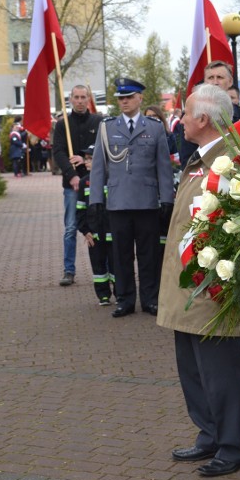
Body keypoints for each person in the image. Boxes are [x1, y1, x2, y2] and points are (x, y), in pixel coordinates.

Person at [157, 83, 240, 478]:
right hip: (187, 284)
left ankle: (233, 444)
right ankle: (209, 431)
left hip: (212, 286)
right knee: (192, 366)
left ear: (202, 119)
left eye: (185, 112)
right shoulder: (200, 158)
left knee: (219, 369)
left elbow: (238, 223)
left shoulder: (230, 160)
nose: (179, 120)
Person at [89, 77, 174, 318]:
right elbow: (98, 167)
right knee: (121, 255)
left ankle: (149, 299)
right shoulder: (107, 128)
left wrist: (166, 199)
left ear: (139, 98)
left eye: (128, 97)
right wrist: (96, 200)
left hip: (146, 201)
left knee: (148, 255)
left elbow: (163, 168)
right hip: (118, 202)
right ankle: (124, 300)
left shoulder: (154, 128)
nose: (124, 102)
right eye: (120, 98)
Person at [52, 85, 105, 287]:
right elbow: (58, 152)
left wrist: (85, 159)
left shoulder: (98, 122)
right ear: (71, 100)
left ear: (88, 99)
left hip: (95, 182)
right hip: (72, 184)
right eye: (77, 97)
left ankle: (105, 267)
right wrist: (72, 175)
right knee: (71, 227)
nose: (80, 100)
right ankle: (69, 270)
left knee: (100, 225)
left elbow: (101, 149)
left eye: (84, 97)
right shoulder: (62, 124)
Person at [175, 61, 240, 170]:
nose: (215, 82)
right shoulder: (191, 116)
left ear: (230, 81)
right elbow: (187, 160)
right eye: (210, 78)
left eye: (220, 77)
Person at [75, 145, 115, 306]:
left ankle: (120, 293)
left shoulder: (112, 178)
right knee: (98, 267)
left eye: (90, 158)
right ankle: (103, 295)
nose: (86, 162)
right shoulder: (85, 182)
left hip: (113, 233)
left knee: (116, 266)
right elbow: (80, 210)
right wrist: (85, 231)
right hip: (94, 235)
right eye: (86, 159)